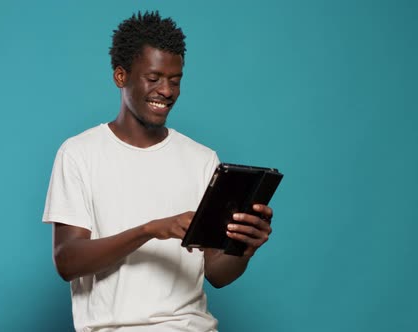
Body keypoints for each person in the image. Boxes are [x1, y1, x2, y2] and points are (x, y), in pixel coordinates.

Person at [42, 11, 274, 332]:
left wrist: (246, 248)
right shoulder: (79, 154)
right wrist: (150, 229)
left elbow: (217, 274)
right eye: (153, 79)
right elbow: (67, 261)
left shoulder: (203, 160)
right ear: (121, 76)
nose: (166, 91)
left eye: (175, 80)